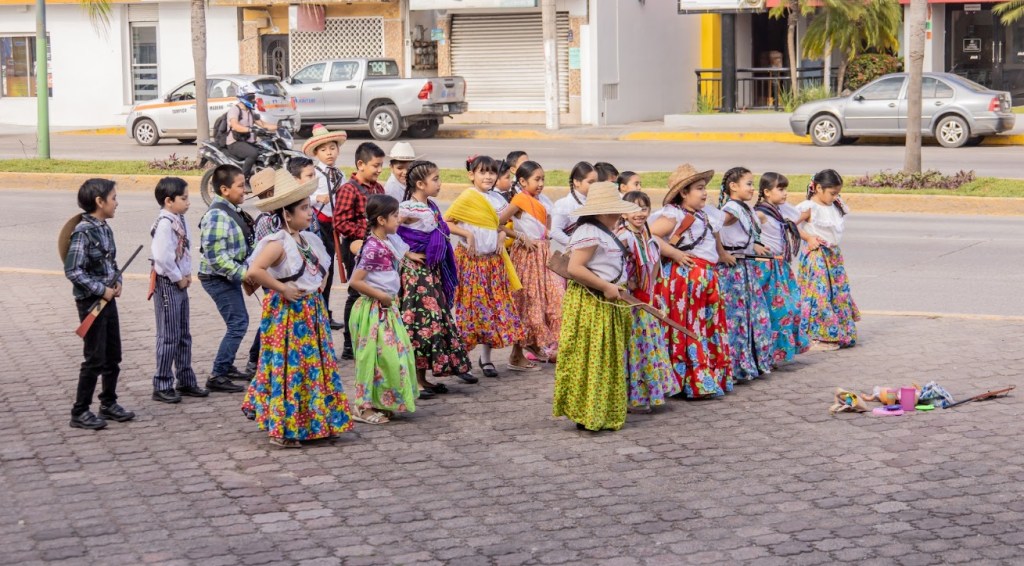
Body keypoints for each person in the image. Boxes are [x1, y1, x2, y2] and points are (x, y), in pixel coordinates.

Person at [241, 168, 354, 448]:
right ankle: (284, 428)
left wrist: (316, 291)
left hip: (310, 312)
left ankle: (317, 422)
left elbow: (323, 270)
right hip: (288, 314)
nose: (310, 212)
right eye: (304, 208)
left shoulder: (309, 240)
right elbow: (255, 271)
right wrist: (282, 288)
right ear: (287, 215)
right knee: (289, 369)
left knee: (312, 367)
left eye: (309, 207)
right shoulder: (277, 242)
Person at [552, 182, 639, 432]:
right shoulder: (589, 232)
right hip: (593, 301)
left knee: (605, 357)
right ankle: (587, 412)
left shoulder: (603, 231)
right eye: (614, 211)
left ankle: (600, 411)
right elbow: (575, 268)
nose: (618, 216)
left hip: (606, 298)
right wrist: (606, 286)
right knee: (592, 356)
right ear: (602, 212)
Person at [650, 164, 733, 399]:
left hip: (705, 277)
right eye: (699, 188)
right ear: (684, 193)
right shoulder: (674, 214)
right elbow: (651, 235)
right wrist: (674, 253)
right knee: (687, 328)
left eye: (705, 188)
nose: (705, 192)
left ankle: (706, 376)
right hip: (684, 279)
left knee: (708, 326)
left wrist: (723, 255)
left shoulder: (705, 215)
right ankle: (690, 380)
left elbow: (714, 241)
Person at [396, 160, 477, 396]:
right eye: (436, 179)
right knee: (419, 324)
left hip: (430, 272)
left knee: (431, 323)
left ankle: (422, 378)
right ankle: (416, 381)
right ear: (420, 184)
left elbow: (441, 229)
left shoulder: (429, 205)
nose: (439, 183)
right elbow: (387, 231)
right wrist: (406, 252)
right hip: (415, 275)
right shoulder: (408, 208)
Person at [62, 178, 135, 429]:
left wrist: (117, 282)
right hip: (91, 303)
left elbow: (111, 263)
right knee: (94, 357)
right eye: (113, 198)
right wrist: (101, 289)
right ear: (99, 201)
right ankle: (80, 411)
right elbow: (73, 270)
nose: (117, 203)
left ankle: (108, 403)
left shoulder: (104, 227)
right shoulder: (83, 232)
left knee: (113, 355)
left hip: (107, 299)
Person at [444, 155, 525, 378]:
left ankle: (486, 359)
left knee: (491, 311)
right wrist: (466, 233)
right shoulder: (467, 197)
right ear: (472, 175)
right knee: (471, 311)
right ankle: (462, 361)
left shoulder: (498, 200)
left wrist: (501, 236)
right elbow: (446, 221)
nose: (488, 176)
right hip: (471, 262)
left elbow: (500, 224)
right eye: (483, 172)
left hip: (492, 262)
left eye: (492, 172)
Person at [348, 195, 421, 423]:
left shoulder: (386, 242)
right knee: (370, 359)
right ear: (381, 220)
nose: (398, 220)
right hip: (374, 309)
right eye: (395, 216)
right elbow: (356, 281)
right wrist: (381, 296)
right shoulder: (374, 248)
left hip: (387, 308)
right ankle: (363, 406)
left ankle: (381, 401)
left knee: (391, 357)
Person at [617, 190, 678, 413]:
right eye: (633, 208)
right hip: (630, 303)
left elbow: (652, 268)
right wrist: (632, 288)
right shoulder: (623, 238)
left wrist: (651, 293)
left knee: (647, 347)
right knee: (632, 349)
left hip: (645, 300)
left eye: (643, 208)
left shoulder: (647, 237)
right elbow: (618, 270)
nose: (639, 213)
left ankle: (647, 393)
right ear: (623, 213)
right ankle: (632, 397)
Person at [149, 177, 208, 404]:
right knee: (168, 336)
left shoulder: (178, 219)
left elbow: (184, 251)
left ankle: (185, 379)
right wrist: (177, 277)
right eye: (184, 198)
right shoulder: (165, 223)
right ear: (168, 201)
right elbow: (162, 259)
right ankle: (162, 383)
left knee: (184, 334)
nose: (188, 202)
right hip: (167, 284)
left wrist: (186, 274)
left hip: (180, 281)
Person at [715, 167, 775, 381]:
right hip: (733, 269)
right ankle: (734, 366)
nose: (752, 188)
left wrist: (755, 245)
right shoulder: (731, 209)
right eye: (748, 183)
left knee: (749, 316)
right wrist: (722, 253)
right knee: (735, 318)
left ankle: (748, 362)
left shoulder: (742, 208)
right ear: (733, 186)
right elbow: (713, 227)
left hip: (744, 268)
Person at [198, 164, 253, 394]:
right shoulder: (217, 215)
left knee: (239, 321)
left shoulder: (230, 209)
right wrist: (245, 274)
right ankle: (218, 374)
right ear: (224, 189)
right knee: (238, 323)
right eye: (240, 186)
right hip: (216, 277)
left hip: (227, 275)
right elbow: (216, 258)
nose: (245, 190)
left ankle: (227, 366)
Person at [505, 160, 563, 365]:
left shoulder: (543, 200)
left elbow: (547, 228)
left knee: (555, 299)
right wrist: (520, 237)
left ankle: (538, 344)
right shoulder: (520, 200)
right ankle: (517, 353)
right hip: (527, 257)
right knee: (528, 303)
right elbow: (497, 223)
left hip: (543, 255)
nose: (541, 183)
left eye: (543, 179)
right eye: (536, 179)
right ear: (522, 181)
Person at [333, 141, 387, 360]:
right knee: (356, 294)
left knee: (373, 291)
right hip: (356, 248)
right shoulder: (349, 189)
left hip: (377, 247)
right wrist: (367, 232)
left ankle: (370, 337)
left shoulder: (378, 188)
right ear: (360, 164)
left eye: (381, 165)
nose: (379, 170)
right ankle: (349, 343)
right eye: (376, 165)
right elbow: (340, 222)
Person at [796, 169, 860, 350]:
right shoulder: (808, 207)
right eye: (832, 193)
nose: (835, 197)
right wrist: (808, 237)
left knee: (838, 293)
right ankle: (817, 336)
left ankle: (838, 332)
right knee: (819, 294)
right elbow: (788, 224)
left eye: (837, 193)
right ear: (817, 188)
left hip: (833, 256)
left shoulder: (836, 205)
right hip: (817, 255)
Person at [753, 172, 811, 363]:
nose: (785, 193)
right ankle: (768, 354)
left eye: (785, 188)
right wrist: (755, 245)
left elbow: (793, 221)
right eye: (780, 189)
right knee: (775, 311)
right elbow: (744, 230)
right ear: (767, 192)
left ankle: (777, 352)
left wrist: (809, 237)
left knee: (792, 307)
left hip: (781, 266)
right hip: (767, 267)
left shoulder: (779, 211)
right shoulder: (760, 213)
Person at [303, 124, 349, 330]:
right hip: (318, 224)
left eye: (332, 148)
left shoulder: (339, 174)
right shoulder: (314, 174)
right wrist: (316, 198)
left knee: (330, 270)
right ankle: (317, 313)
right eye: (323, 150)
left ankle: (326, 312)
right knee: (319, 269)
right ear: (316, 153)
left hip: (334, 225)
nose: (329, 153)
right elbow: (303, 194)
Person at [225, 84, 278, 180]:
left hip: (247, 141)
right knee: (253, 153)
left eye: (254, 97)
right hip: (235, 143)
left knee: (267, 151)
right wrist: (250, 129)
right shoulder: (235, 110)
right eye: (251, 97)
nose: (253, 100)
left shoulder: (250, 111)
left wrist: (280, 127)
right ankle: (243, 179)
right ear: (243, 97)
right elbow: (235, 126)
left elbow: (263, 124)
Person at [550, 161, 597, 248]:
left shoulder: (595, 201)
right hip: (575, 255)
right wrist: (576, 246)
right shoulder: (564, 204)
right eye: (590, 182)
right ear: (576, 182)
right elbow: (555, 231)